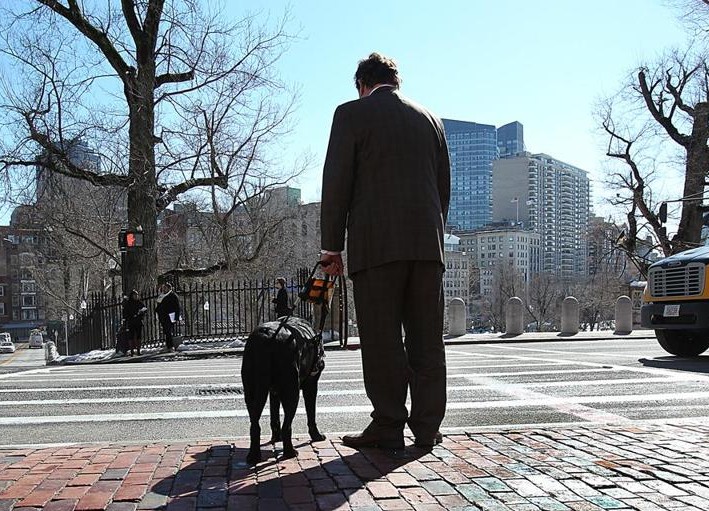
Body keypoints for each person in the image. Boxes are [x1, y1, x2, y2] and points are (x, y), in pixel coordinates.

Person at [320, 52, 450, 451]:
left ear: (362, 84)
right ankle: (427, 428)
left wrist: (332, 248)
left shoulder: (351, 114)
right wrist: (431, 232)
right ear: (397, 82)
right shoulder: (431, 119)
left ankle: (388, 423)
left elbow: (336, 183)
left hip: (376, 246)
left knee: (382, 340)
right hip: (427, 246)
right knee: (427, 339)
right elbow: (442, 188)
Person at [155, 283, 181, 352]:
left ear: (169, 288)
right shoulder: (161, 296)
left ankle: (170, 346)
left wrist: (176, 317)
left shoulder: (173, 295)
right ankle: (168, 345)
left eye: (165, 288)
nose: (163, 289)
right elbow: (159, 305)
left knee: (168, 331)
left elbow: (177, 307)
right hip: (163, 316)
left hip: (169, 316)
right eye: (163, 288)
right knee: (166, 331)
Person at [122, 290, 147, 356]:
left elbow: (144, 309)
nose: (136, 296)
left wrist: (141, 312)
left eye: (137, 295)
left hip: (138, 321)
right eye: (135, 295)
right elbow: (125, 313)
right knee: (131, 336)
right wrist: (131, 316)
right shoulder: (128, 303)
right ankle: (132, 351)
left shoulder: (139, 302)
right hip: (131, 321)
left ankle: (138, 350)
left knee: (139, 336)